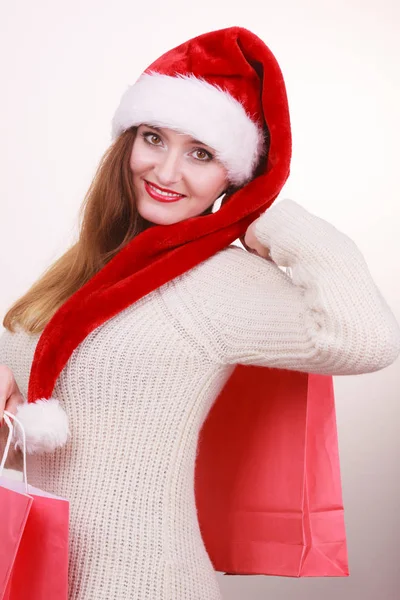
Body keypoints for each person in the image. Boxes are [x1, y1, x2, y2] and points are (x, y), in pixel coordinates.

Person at [1, 26, 399, 600]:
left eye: (201, 153)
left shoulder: (215, 280)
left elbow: (367, 339)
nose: (165, 172)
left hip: (140, 582)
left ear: (232, 177)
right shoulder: (86, 265)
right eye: (153, 138)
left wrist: (276, 221)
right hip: (33, 571)